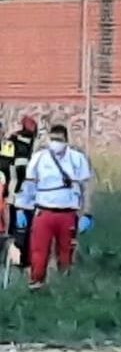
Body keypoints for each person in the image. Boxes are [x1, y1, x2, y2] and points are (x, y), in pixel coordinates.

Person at [23, 124, 93, 290]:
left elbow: (86, 187)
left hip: (67, 213)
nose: (56, 143)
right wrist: (22, 209)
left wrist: (87, 213)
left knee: (66, 253)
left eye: (59, 140)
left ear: (66, 141)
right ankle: (37, 285)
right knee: (39, 252)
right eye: (53, 139)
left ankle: (65, 288)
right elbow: (29, 185)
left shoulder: (77, 159)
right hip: (44, 212)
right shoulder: (39, 158)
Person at [1, 116, 37, 268]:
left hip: (15, 195)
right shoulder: (30, 146)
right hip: (21, 196)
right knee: (21, 231)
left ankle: (17, 261)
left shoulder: (12, 143)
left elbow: (3, 167)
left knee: (15, 231)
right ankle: (19, 262)